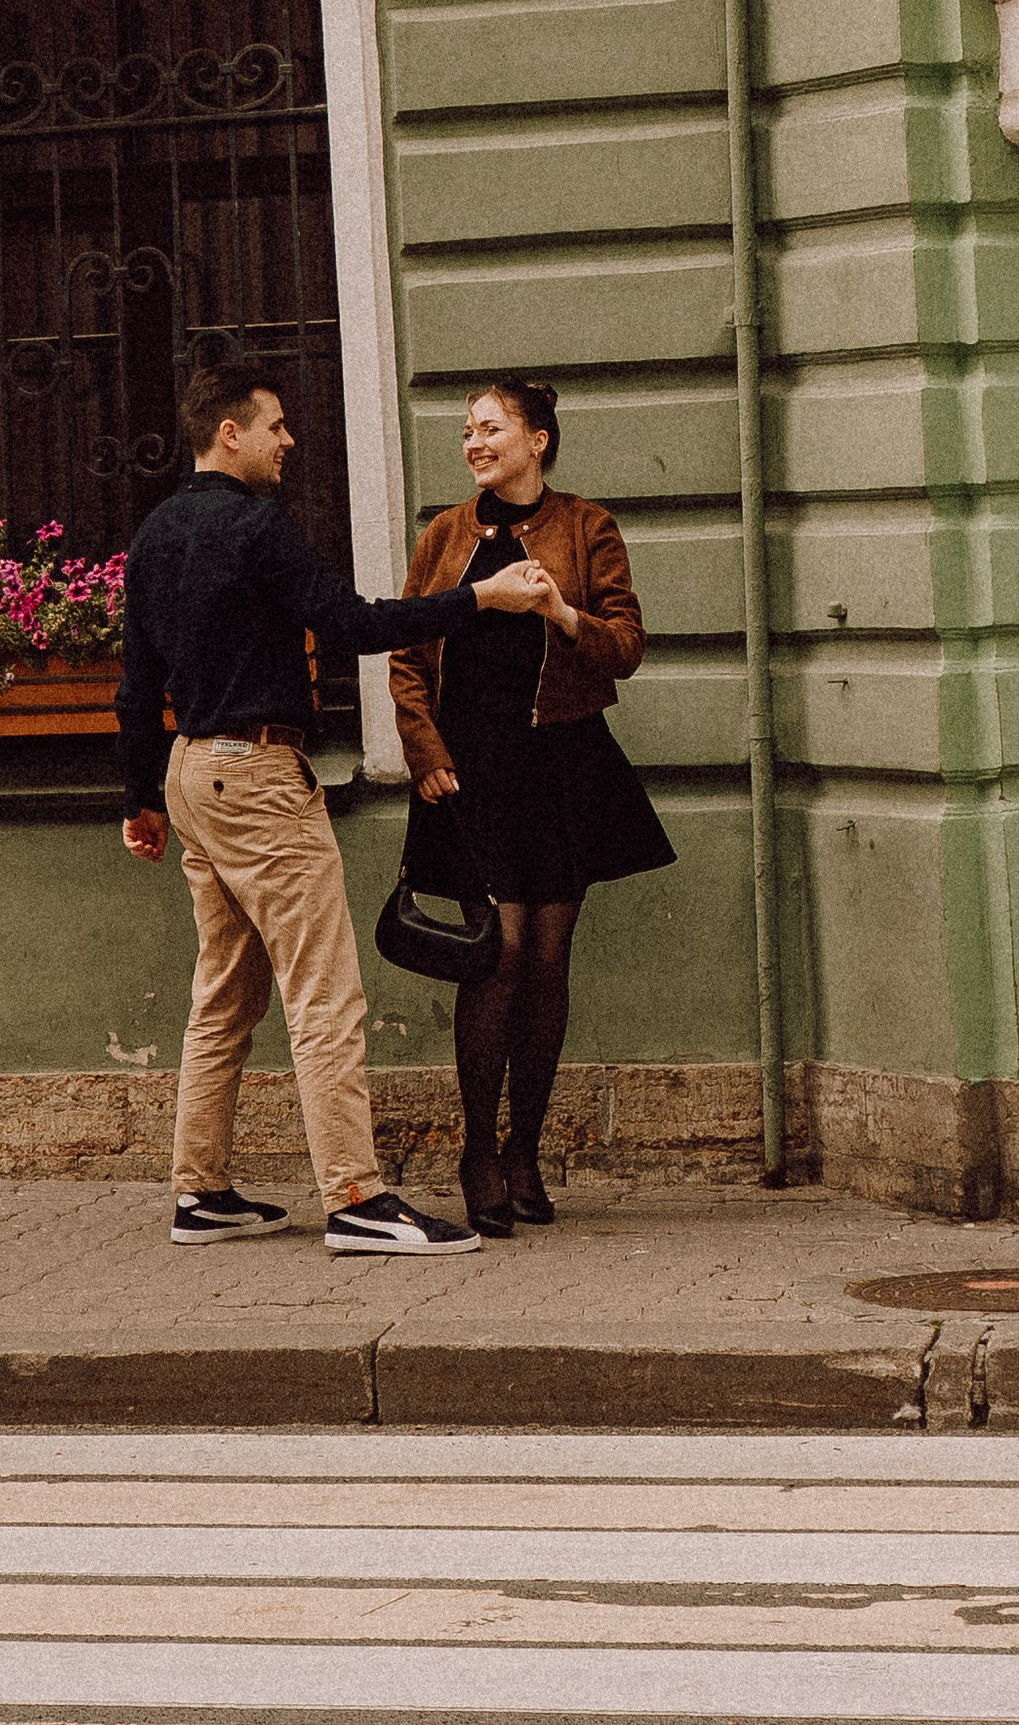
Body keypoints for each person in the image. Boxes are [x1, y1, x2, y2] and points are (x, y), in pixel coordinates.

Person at [119, 357, 541, 1255]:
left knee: (224, 995)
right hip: (261, 776)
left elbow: (135, 686)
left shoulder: (153, 534)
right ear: (229, 434)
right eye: (274, 425)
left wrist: (139, 800)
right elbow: (350, 625)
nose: (289, 441)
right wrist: (482, 596)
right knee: (324, 995)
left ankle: (200, 1194)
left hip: (190, 775)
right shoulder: (258, 528)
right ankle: (355, 1198)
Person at [389, 376, 675, 1237]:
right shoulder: (445, 531)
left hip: (561, 761)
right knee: (496, 955)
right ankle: (478, 1151)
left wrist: (558, 607)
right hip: (472, 771)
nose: (474, 445)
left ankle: (525, 1152)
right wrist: (425, 750)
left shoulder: (587, 527)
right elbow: (407, 654)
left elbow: (625, 647)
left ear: (536, 441)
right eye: (468, 433)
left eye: (490, 429)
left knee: (549, 960)